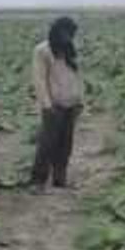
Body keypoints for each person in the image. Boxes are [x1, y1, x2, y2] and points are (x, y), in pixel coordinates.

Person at [31, 17, 84, 191]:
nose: (68, 37)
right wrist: (47, 105)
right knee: (47, 143)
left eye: (71, 33)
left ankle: (60, 179)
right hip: (53, 105)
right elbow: (39, 80)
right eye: (65, 32)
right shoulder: (42, 50)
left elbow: (75, 77)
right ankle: (38, 181)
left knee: (65, 144)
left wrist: (80, 100)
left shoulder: (69, 49)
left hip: (71, 103)